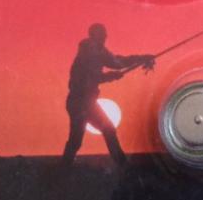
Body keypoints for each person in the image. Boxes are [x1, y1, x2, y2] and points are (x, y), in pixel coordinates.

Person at [62, 23, 154, 165]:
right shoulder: (87, 53)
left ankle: (122, 163)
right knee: (77, 139)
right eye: (102, 35)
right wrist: (111, 76)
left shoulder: (99, 52)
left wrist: (141, 58)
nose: (105, 37)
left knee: (106, 130)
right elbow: (92, 77)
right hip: (78, 102)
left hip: (87, 103)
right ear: (95, 36)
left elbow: (118, 62)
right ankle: (64, 166)